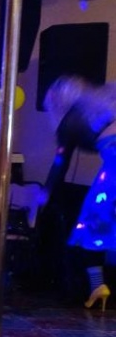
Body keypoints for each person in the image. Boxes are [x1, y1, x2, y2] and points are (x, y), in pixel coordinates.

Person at [43, 75, 116, 310]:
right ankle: (98, 287)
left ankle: (98, 286)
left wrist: (45, 195)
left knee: (91, 228)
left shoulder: (70, 121)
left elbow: (60, 163)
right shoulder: (103, 109)